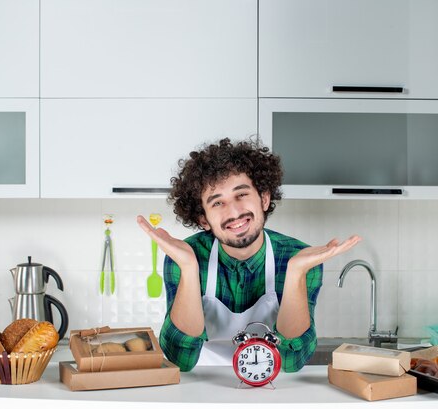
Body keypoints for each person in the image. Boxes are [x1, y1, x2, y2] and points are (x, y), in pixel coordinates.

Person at [137, 137, 360, 372]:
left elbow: (292, 361)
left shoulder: (299, 258)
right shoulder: (184, 257)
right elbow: (179, 359)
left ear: (263, 198)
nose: (234, 212)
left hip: (274, 396)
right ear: (203, 219)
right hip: (200, 395)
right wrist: (189, 269)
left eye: (241, 195)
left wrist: (296, 273)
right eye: (217, 203)